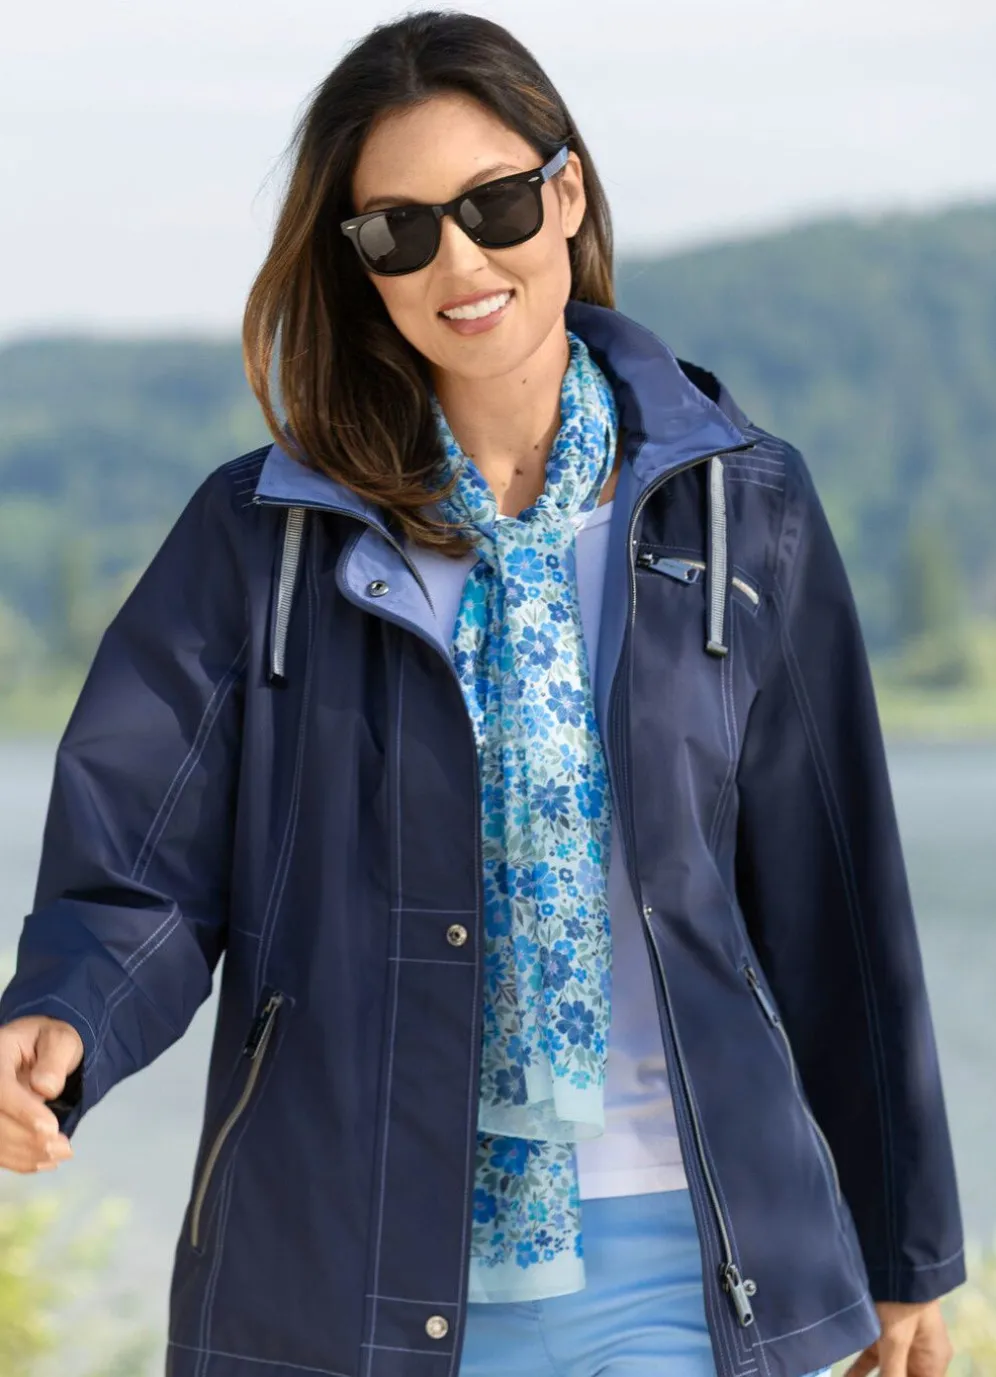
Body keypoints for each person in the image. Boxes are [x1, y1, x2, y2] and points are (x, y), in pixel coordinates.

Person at [0, 11, 964, 1377]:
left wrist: (906, 1251)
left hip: (693, 1273)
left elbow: (836, 902)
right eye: (398, 232)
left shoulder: (740, 510)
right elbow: (139, 871)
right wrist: (64, 1016)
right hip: (343, 1268)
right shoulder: (266, 538)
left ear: (566, 197)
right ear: (360, 268)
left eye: (495, 204)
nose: (457, 260)